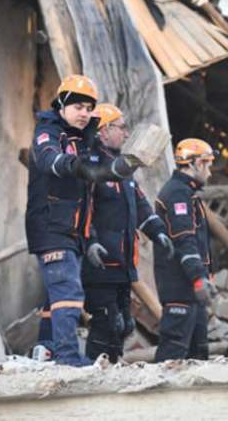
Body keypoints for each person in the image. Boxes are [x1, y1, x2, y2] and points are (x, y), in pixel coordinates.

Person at [26, 75, 136, 366]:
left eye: (89, 108)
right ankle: (67, 357)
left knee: (58, 294)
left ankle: (46, 350)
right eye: (78, 107)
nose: (84, 113)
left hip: (73, 230)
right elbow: (49, 158)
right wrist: (77, 166)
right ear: (61, 105)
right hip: (51, 226)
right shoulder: (48, 132)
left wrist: (90, 239)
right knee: (68, 291)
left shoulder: (82, 140)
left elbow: (93, 187)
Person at [82, 103, 174, 363]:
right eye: (121, 127)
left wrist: (158, 232)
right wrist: (90, 242)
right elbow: (82, 209)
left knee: (124, 325)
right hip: (100, 264)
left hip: (123, 265)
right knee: (107, 322)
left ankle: (112, 369)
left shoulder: (123, 170)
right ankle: (93, 372)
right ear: (104, 130)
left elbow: (141, 205)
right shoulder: (92, 166)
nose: (126, 133)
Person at [153, 139, 216, 362]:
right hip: (179, 287)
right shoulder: (177, 194)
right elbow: (185, 241)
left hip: (191, 291)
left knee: (198, 354)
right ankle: (160, 397)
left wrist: (206, 277)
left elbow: (198, 244)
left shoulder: (189, 193)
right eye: (207, 164)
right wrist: (199, 279)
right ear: (195, 163)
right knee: (174, 353)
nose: (209, 172)